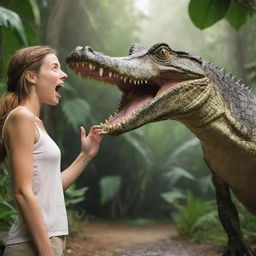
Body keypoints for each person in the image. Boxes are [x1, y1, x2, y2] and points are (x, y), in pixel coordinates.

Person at [0, 46, 105, 256]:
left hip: (48, 239)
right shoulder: (21, 117)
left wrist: (85, 156)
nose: (64, 73)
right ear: (31, 76)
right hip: (31, 245)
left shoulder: (36, 123)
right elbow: (22, 192)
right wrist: (46, 251)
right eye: (55, 67)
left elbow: (50, 187)